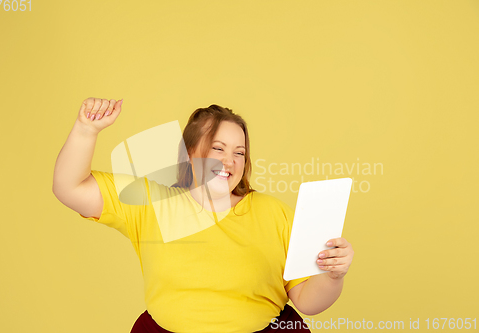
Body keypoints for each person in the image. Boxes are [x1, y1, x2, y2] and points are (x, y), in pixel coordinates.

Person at [52, 98, 354, 332]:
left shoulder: (275, 213)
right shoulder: (150, 203)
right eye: (217, 148)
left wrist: (334, 275)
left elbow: (308, 302)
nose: (229, 161)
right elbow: (69, 187)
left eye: (239, 152)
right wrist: (85, 129)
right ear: (188, 154)